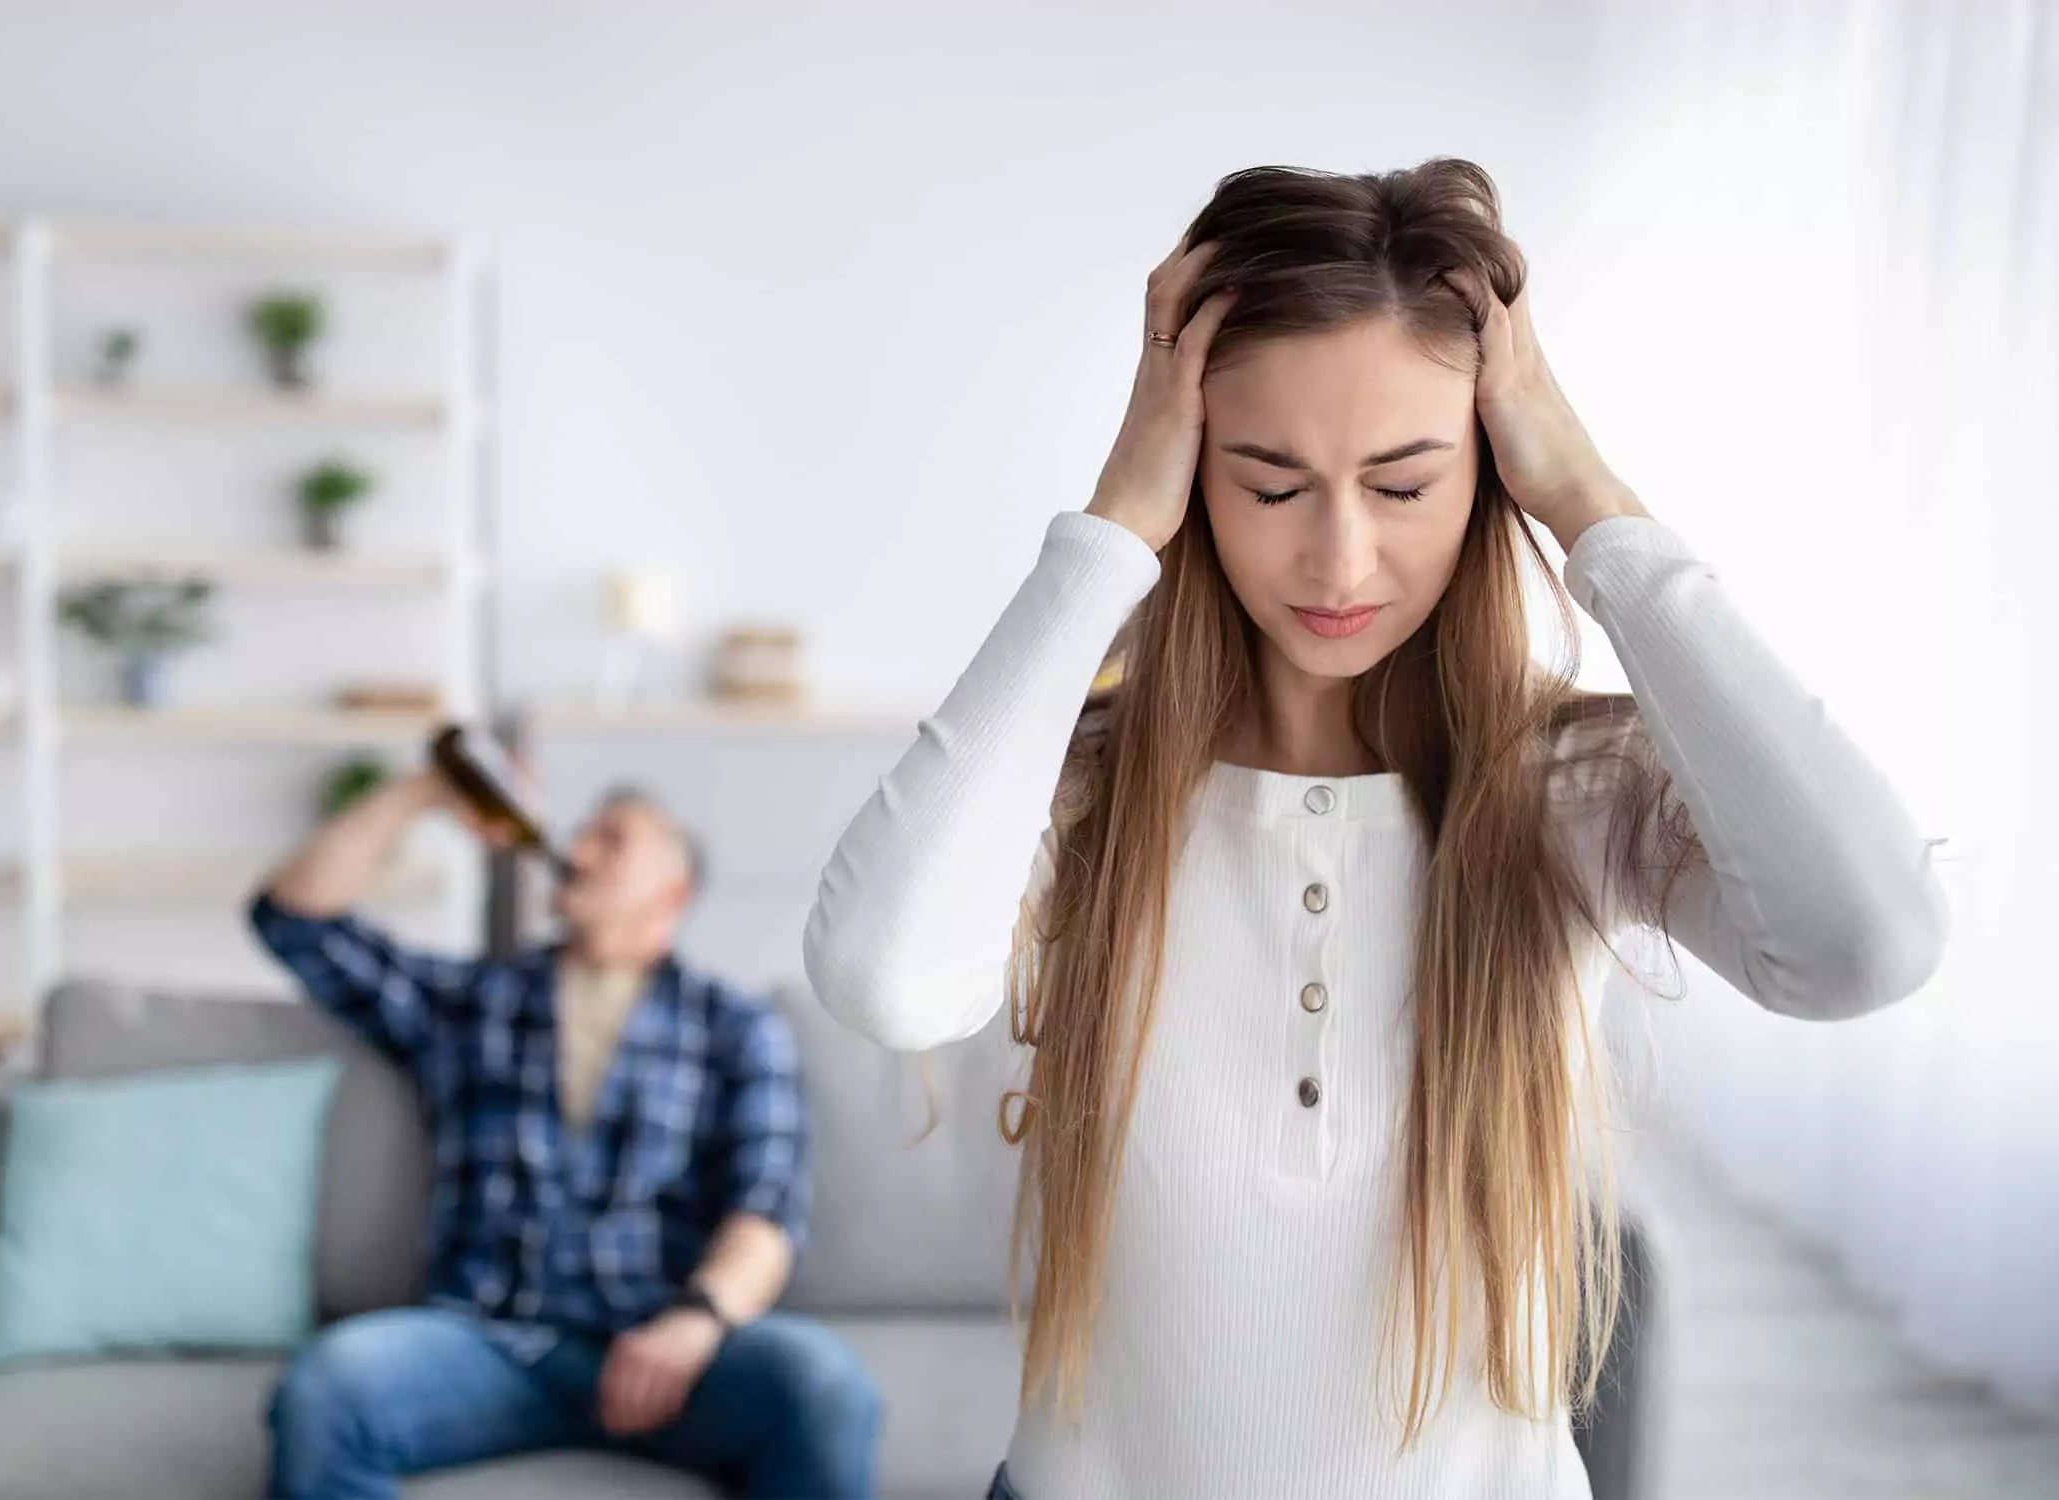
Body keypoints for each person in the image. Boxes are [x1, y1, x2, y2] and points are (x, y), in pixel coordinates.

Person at [803, 159, 1949, 1500]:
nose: (1339, 564)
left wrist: (1587, 497)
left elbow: (1870, 944)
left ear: (1488, 473)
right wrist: (1109, 532)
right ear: (1189, 474)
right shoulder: (1078, 789)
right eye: (1271, 486)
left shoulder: (1573, 786)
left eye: (1404, 485)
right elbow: (882, 979)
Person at [250, 769, 880, 1499]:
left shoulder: (734, 1028)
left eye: (611, 840)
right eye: (582, 832)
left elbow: (765, 1210)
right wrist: (424, 790)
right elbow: (292, 919)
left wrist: (697, 1321)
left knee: (824, 1388)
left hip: (664, 1343)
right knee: (328, 1386)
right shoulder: (472, 1002)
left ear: (671, 893)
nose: (577, 849)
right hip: (483, 1341)